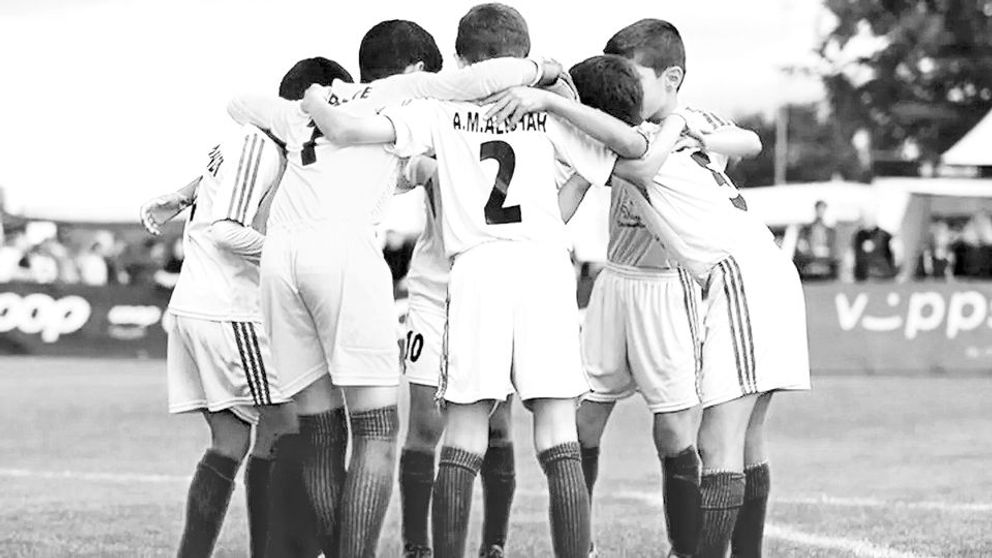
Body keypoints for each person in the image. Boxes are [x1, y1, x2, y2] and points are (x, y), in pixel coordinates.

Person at [301, 5, 648, 556]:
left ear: (461, 57)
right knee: (558, 433)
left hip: (477, 270)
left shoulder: (437, 110)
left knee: (462, 434)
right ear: (523, 53)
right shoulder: (547, 111)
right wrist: (553, 92)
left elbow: (345, 129)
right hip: (543, 266)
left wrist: (316, 98)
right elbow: (630, 147)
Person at [227, 19, 561, 557]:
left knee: (320, 430)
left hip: (280, 260)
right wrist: (544, 68)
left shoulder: (309, 105)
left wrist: (313, 99)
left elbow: (240, 104)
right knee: (378, 429)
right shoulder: (403, 92)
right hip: (343, 256)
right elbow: (482, 80)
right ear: (414, 68)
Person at [486, 18, 811, 558]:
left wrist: (552, 105)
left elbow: (653, 150)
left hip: (734, 278)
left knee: (715, 441)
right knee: (733, 438)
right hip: (732, 274)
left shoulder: (646, 140)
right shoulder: (656, 135)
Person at [560, 49, 762, 556]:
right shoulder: (615, 131)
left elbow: (750, 140)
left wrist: (695, 133)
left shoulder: (685, 119)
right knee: (582, 419)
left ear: (668, 78)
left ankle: (686, 547)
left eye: (634, 75)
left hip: (668, 288)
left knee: (674, 429)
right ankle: (578, 543)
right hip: (614, 281)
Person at [138, 60, 324, 557]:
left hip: (199, 306)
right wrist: (293, 252)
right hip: (229, 310)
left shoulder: (244, 140)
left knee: (234, 442)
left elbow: (216, 191)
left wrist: (179, 194)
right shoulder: (261, 146)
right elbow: (226, 228)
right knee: (286, 429)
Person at [795, 200, 837, 280]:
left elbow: (833, 249)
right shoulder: (806, 230)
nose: (821, 212)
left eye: (823, 209)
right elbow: (802, 247)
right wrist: (811, 251)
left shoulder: (830, 231)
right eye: (819, 209)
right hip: (810, 266)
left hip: (825, 267)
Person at [852, 212, 898, 281]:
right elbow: (855, 254)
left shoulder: (884, 235)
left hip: (883, 274)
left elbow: (893, 253)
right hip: (863, 275)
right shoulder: (859, 235)